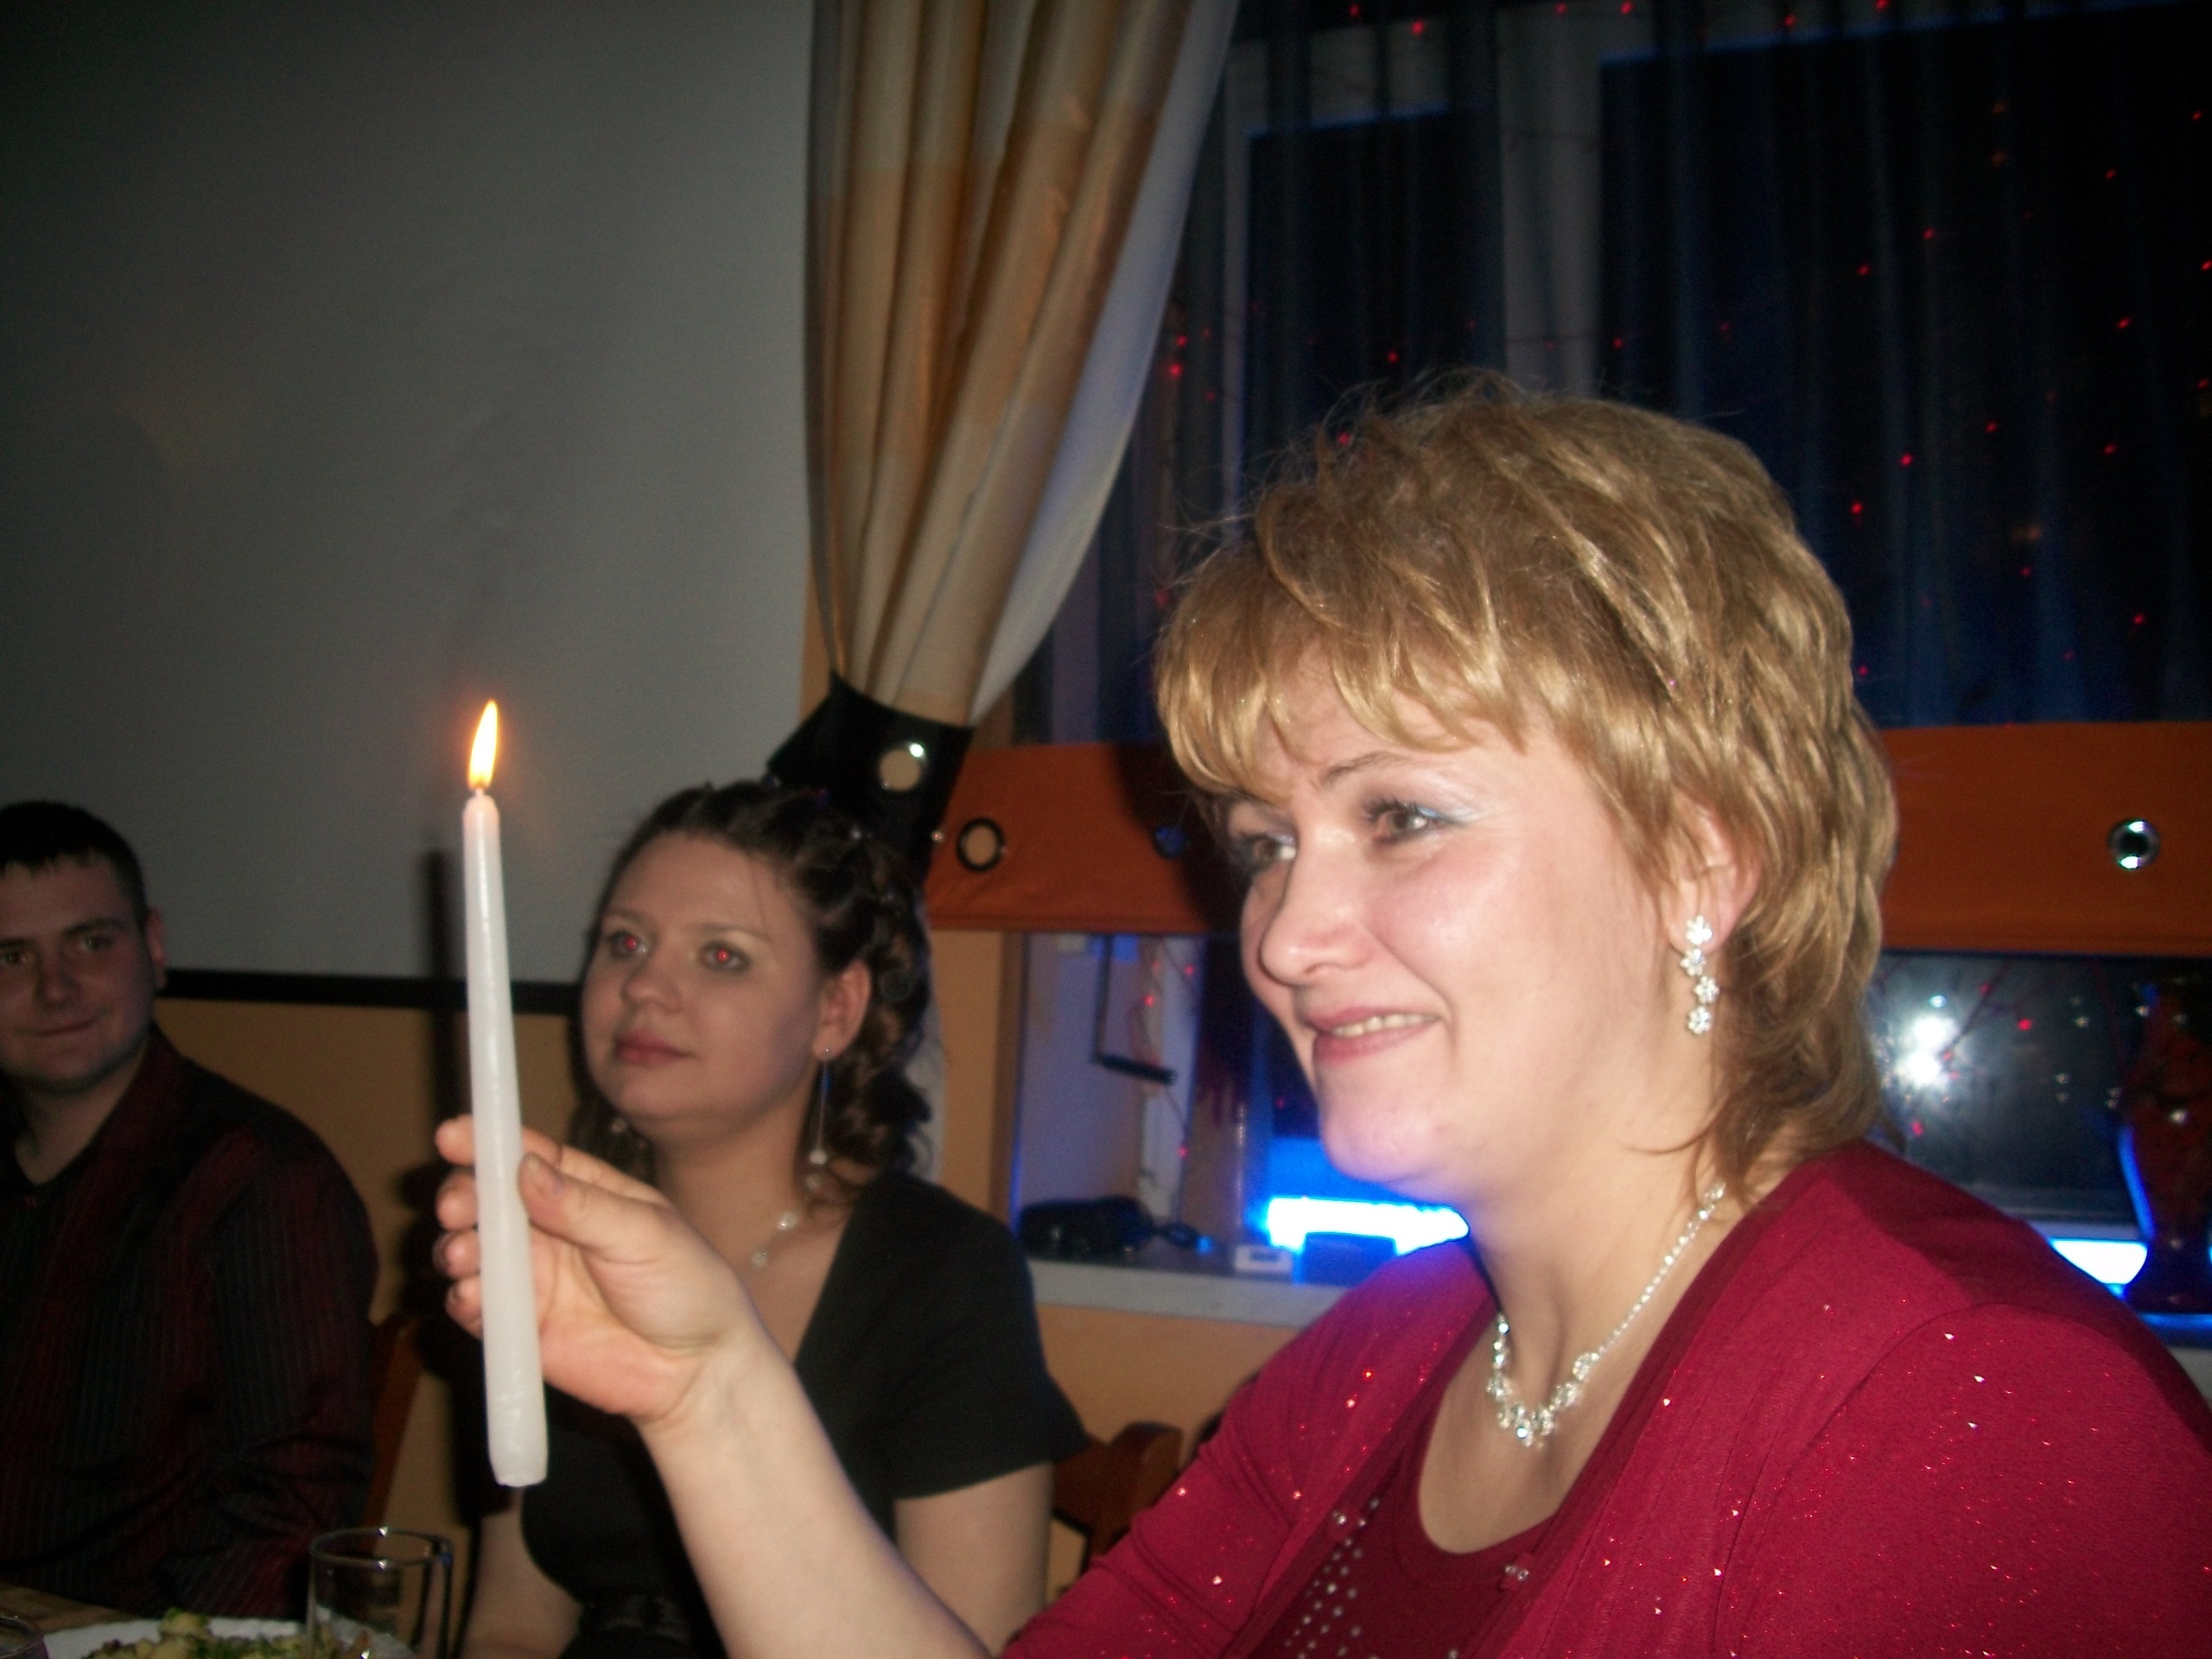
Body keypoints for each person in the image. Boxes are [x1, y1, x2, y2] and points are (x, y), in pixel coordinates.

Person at [433, 385, 2212, 1657]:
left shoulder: (1977, 1411)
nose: (1280, 934)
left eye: (1401, 816)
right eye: (1266, 842)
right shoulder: (1389, 1355)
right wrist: (707, 1389)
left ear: (1698, 859)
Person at [461, 783, 1084, 1659]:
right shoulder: (553, 1250)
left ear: (836, 1010)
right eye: (625, 942)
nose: (643, 986)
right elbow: (512, 1626)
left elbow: (978, 1635)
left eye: (721, 956)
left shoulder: (943, 1276)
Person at [0, 801, 377, 1617]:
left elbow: (295, 1501)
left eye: (91, 943)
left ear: (155, 947)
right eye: (11, 957)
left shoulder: (261, 1182)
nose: (54, 988)